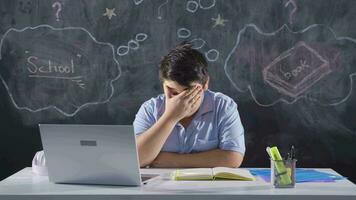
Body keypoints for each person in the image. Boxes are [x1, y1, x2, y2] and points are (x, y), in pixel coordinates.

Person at [133, 42, 245, 168]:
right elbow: (135, 159)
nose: (179, 100)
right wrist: (171, 117)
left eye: (188, 93)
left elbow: (233, 158)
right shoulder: (150, 109)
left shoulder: (223, 106)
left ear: (205, 84)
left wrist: (170, 160)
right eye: (172, 91)